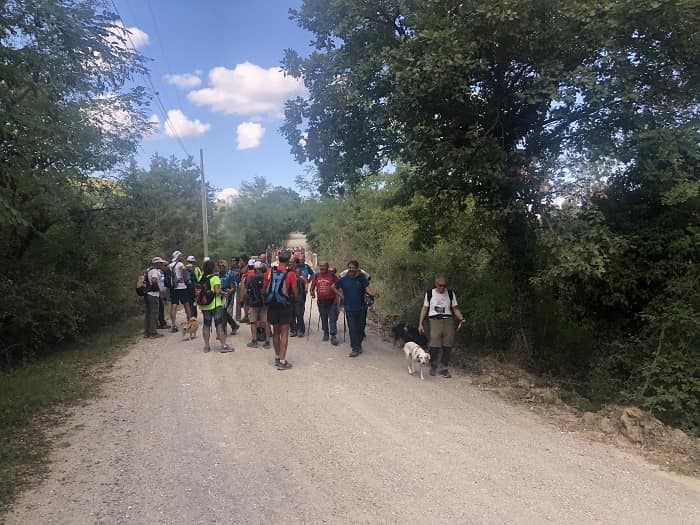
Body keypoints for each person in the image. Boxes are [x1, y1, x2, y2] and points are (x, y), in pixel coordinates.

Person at [418, 274, 466, 378]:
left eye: (444, 285)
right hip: (435, 319)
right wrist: (420, 323)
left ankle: (444, 368)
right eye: (440, 285)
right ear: (436, 284)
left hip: (448, 319)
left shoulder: (450, 294)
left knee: (447, 345)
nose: (442, 288)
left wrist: (461, 319)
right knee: (434, 342)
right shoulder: (430, 293)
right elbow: (425, 308)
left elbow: (455, 308)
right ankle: (433, 366)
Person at [334, 260, 378, 357]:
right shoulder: (344, 279)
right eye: (350, 267)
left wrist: (374, 294)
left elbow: (367, 289)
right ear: (348, 268)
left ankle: (358, 346)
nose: (351, 269)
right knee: (352, 328)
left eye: (353, 268)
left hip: (361, 308)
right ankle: (355, 348)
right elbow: (333, 287)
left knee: (360, 329)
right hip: (349, 308)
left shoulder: (361, 279)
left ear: (357, 268)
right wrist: (341, 295)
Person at [265, 250, 297, 370]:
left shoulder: (270, 271)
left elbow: (265, 287)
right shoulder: (291, 274)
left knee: (276, 332)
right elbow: (295, 291)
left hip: (272, 305)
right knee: (284, 333)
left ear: (278, 259)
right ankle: (283, 361)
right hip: (284, 306)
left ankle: (277, 357)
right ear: (288, 260)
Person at [199, 259, 233, 353]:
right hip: (215, 304)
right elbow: (217, 291)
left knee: (206, 324)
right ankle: (223, 346)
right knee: (219, 324)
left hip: (204, 305)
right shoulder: (215, 278)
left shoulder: (201, 278)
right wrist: (224, 293)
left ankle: (206, 346)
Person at [310, 261, 339, 345]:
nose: (322, 268)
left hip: (332, 300)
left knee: (332, 318)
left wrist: (340, 295)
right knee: (323, 317)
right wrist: (312, 292)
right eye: (321, 266)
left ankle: (333, 335)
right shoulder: (317, 276)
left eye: (324, 266)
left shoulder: (332, 276)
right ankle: (326, 332)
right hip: (321, 301)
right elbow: (312, 286)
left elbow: (339, 285)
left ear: (327, 267)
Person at [243, 261, 271, 348]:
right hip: (264, 303)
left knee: (253, 322)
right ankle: (267, 341)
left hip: (253, 303)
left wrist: (247, 300)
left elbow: (245, 292)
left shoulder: (251, 278)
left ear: (254, 269)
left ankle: (254, 341)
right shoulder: (266, 278)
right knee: (266, 322)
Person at [168, 250, 193, 332]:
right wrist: (187, 268)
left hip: (173, 287)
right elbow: (183, 271)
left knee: (174, 305)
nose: (182, 257)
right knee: (186, 304)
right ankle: (189, 321)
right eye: (180, 255)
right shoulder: (180, 264)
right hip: (181, 287)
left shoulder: (170, 265)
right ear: (178, 256)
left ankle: (173, 324)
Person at [290, 255, 314, 337]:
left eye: (292, 263)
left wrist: (306, 288)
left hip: (299, 294)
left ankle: (301, 329)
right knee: (291, 313)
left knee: (298, 312)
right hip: (290, 296)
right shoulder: (288, 271)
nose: (291, 264)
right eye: (290, 263)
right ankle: (293, 330)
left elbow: (305, 281)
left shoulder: (300, 271)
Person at [144, 257, 167, 338]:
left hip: (147, 294)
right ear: (156, 263)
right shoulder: (154, 271)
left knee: (148, 313)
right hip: (153, 295)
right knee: (154, 313)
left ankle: (147, 332)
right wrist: (158, 290)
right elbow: (154, 280)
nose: (161, 264)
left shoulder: (147, 270)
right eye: (160, 263)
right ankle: (153, 333)